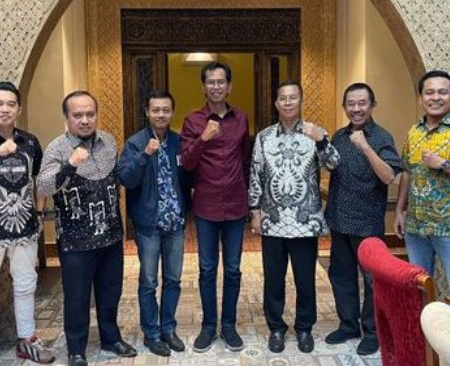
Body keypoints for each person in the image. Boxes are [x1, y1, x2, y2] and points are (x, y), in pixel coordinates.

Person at [37, 91, 136, 366]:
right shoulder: (57, 148)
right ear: (67, 118)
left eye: (90, 114)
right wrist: (69, 165)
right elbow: (43, 187)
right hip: (75, 241)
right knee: (77, 297)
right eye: (77, 115)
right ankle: (77, 349)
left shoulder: (108, 141)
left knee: (110, 292)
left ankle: (111, 339)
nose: (84, 120)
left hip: (110, 235)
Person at [248, 80, 340, 354]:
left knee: (305, 279)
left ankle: (304, 328)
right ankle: (276, 328)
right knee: (273, 279)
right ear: (276, 103)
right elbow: (255, 175)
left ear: (301, 101)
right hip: (273, 220)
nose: (288, 102)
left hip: (304, 221)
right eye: (283, 98)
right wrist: (255, 211)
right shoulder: (264, 137)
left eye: (293, 98)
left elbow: (333, 163)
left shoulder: (315, 133)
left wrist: (321, 140)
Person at [324, 83, 403, 356]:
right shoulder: (339, 136)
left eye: (362, 103)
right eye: (351, 104)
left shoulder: (381, 137)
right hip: (339, 220)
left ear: (372, 105)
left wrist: (366, 147)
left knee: (371, 281)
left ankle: (372, 332)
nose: (356, 109)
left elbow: (389, 176)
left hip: (367, 223)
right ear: (344, 107)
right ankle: (348, 325)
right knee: (341, 276)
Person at [180, 62, 251, 352]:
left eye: (221, 82)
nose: (216, 86)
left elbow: (244, 160)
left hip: (235, 204)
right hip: (206, 205)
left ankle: (229, 326)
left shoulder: (241, 119)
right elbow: (186, 163)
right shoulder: (192, 120)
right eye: (211, 82)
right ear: (204, 86)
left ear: (229, 86)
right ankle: (209, 326)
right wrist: (203, 139)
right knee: (207, 269)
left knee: (233, 269)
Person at [117, 90, 190, 357]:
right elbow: (126, 178)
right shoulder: (135, 143)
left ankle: (168, 328)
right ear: (147, 112)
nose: (161, 115)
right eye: (156, 110)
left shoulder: (178, 141)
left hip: (175, 224)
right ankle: (152, 333)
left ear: (172, 113)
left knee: (173, 279)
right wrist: (145, 155)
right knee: (149, 282)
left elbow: (187, 178)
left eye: (165, 110)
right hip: (149, 226)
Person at [0, 81, 55, 364]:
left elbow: (41, 180)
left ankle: (27, 340)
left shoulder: (30, 142)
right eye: (0, 104)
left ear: (19, 109)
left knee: (25, 283)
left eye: (11, 104)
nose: (5, 109)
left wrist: (40, 211)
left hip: (24, 225)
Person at [394, 70, 450, 287]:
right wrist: (399, 210)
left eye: (442, 92)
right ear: (420, 98)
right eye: (429, 92)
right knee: (420, 288)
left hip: (447, 228)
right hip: (416, 227)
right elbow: (407, 172)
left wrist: (443, 164)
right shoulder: (414, 132)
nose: (435, 97)